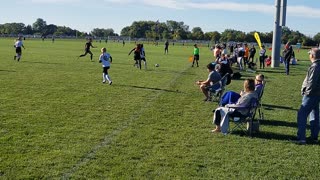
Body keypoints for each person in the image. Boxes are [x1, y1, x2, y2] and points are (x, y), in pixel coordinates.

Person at [295, 48, 320, 145]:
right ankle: (314, 137)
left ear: (313, 56)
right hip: (317, 94)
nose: (309, 56)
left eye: (310, 54)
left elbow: (312, 82)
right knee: (314, 114)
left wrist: (306, 92)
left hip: (311, 94)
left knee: (302, 114)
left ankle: (301, 138)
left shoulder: (315, 66)